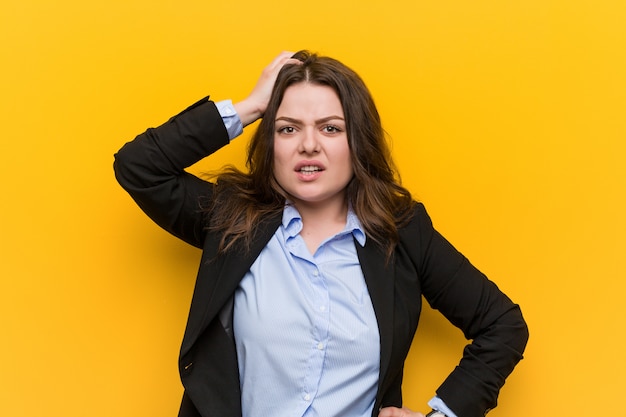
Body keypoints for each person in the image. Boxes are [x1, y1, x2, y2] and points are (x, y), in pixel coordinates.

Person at [114, 50, 528, 417]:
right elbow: (139, 167)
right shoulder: (231, 220)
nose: (308, 145)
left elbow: (502, 325)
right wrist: (253, 106)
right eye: (287, 128)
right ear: (271, 142)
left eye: (330, 128)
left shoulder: (401, 230)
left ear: (357, 142)